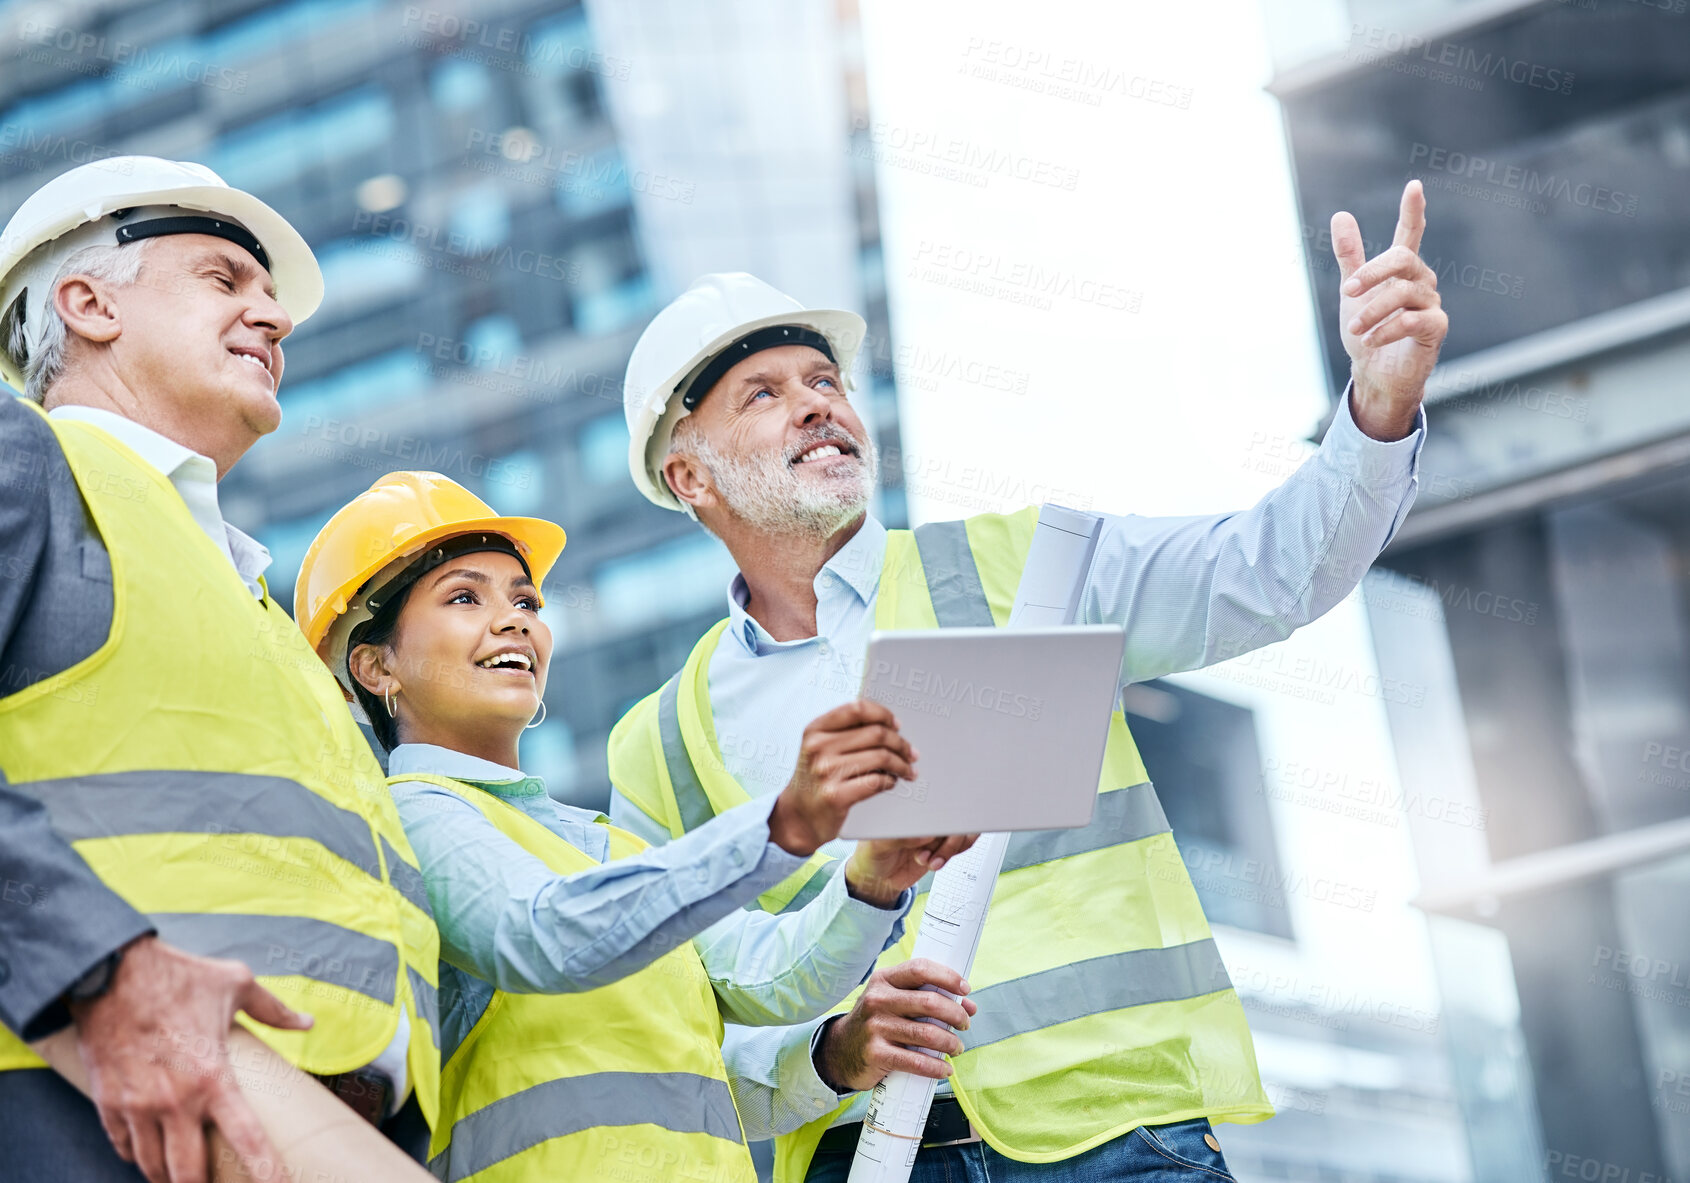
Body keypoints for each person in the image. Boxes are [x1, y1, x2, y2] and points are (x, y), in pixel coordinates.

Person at [605, 179, 1449, 1182]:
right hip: (865, 1159)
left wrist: (1379, 406)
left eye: (823, 380)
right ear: (690, 479)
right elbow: (670, 1022)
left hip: (1113, 1139)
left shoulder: (1028, 570)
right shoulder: (661, 744)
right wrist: (825, 1057)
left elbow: (1272, 568)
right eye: (766, 393)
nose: (818, 405)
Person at [293, 470, 978, 1182]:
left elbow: (766, 980)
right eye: (465, 596)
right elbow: (545, 933)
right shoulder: (409, 816)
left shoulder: (603, 848)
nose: (515, 619)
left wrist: (868, 885)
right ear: (376, 666)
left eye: (526, 599)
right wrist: (781, 827)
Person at [0, 158, 443, 1182]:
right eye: (223, 279)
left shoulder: (246, 598)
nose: (273, 317)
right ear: (88, 304)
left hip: (303, 1118)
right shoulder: (29, 461)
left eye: (271, 295)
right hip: (96, 1102)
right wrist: (99, 974)